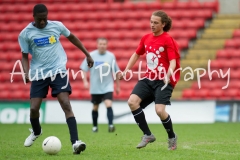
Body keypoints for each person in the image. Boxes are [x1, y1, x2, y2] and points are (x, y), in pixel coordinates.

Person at [18, 4, 94, 155]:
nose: (42, 22)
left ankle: (75, 142)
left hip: (58, 70)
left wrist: (87, 54)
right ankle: (36, 131)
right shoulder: (25, 34)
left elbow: (72, 37)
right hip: (39, 74)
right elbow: (25, 55)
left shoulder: (56, 26)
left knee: (66, 104)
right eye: (39, 20)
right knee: (34, 109)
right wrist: (26, 73)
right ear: (33, 17)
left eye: (44, 19)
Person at [119, 10, 180, 150]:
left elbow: (173, 62)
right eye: (151, 22)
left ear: (163, 24)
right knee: (132, 102)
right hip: (148, 79)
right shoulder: (146, 38)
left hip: (163, 81)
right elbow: (136, 55)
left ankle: (172, 137)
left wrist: (168, 75)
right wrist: (126, 70)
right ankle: (148, 135)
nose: (152, 25)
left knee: (159, 111)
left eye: (155, 23)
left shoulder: (167, 39)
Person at [80, 37, 120, 133]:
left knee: (108, 104)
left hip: (108, 86)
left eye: (104, 44)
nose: (102, 46)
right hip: (95, 87)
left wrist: (118, 86)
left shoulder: (111, 56)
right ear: (97, 45)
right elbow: (83, 69)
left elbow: (116, 71)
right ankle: (95, 126)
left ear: (106, 45)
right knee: (95, 107)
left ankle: (110, 125)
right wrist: (85, 81)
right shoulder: (91, 56)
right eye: (100, 44)